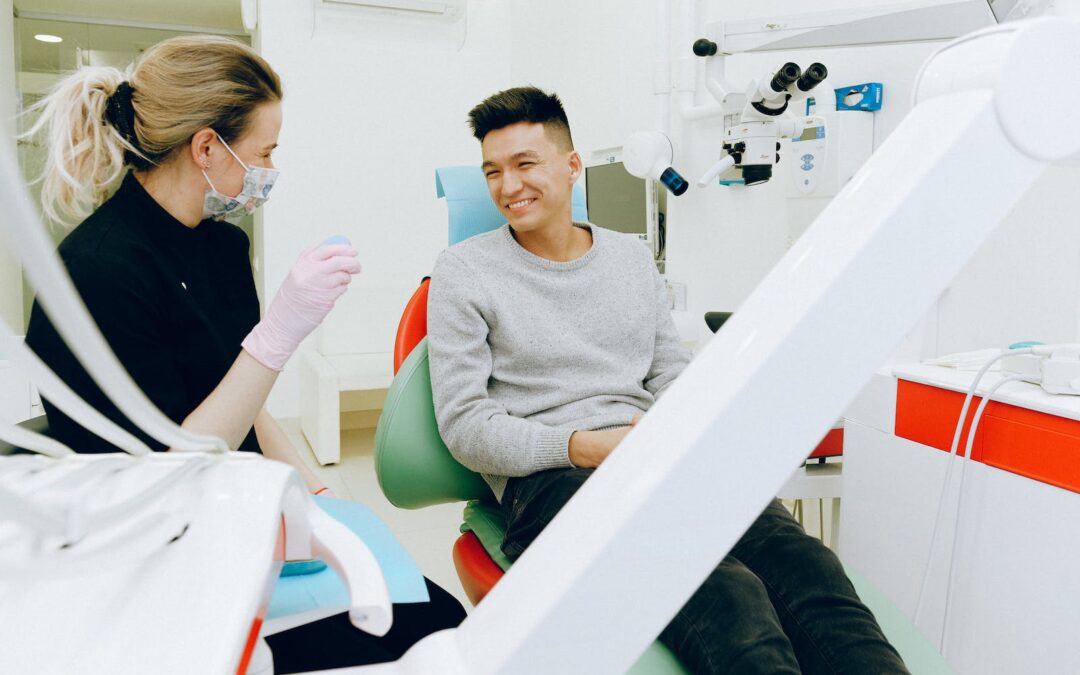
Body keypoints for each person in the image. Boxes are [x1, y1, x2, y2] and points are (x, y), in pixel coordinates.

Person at [428, 85, 909, 674]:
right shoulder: (464, 272)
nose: (509, 186)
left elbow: (667, 372)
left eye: (525, 164)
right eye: (493, 172)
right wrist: (584, 447)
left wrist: (686, 431)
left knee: (807, 566)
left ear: (572, 165)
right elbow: (464, 425)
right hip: (555, 480)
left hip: (657, 456)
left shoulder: (630, 259)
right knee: (728, 593)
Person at [22, 35, 463, 670]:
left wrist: (314, 490)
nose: (270, 170)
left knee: (440, 617)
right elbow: (166, 475)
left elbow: (242, 396)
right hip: (155, 550)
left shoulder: (220, 246)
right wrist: (280, 334)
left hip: (240, 511)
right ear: (207, 147)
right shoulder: (98, 270)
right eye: (265, 152)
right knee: (426, 639)